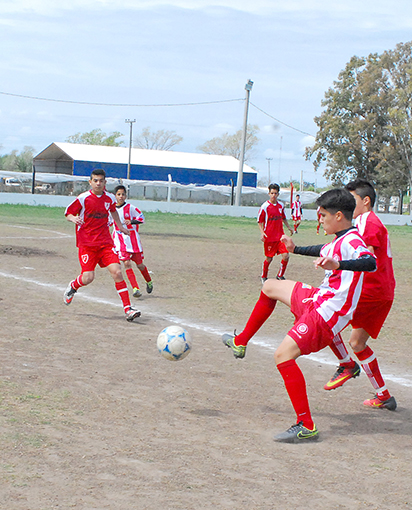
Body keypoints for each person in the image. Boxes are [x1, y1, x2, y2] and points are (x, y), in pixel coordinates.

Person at [222, 188, 376, 443]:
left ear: (339, 216)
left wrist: (339, 265)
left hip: (328, 313)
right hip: (319, 299)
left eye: (323, 215)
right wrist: (296, 249)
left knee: (282, 356)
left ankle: (305, 425)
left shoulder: (353, 241)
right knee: (269, 286)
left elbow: (370, 262)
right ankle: (240, 343)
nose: (320, 219)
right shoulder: (341, 238)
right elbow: (323, 249)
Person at [324, 179, 396, 410]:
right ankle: (384, 395)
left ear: (366, 201)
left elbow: (367, 258)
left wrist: (337, 266)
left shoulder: (367, 221)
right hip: (378, 291)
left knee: (323, 317)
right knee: (356, 343)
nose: (346, 203)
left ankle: (346, 365)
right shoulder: (364, 222)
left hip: (371, 292)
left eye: (351, 199)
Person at [63, 169, 141, 322]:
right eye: (95, 180)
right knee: (88, 277)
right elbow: (68, 213)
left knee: (117, 271)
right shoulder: (83, 198)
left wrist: (120, 227)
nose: (98, 183)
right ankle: (73, 286)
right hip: (87, 244)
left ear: (105, 182)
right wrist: (73, 218)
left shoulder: (110, 198)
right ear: (90, 182)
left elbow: (113, 212)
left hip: (105, 243)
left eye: (101, 181)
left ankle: (128, 309)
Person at [111, 185, 153, 298]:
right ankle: (135, 288)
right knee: (127, 263)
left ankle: (148, 281)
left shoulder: (131, 208)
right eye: (118, 194)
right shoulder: (112, 210)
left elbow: (141, 218)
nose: (121, 196)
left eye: (123, 194)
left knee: (140, 265)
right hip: (120, 242)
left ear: (126, 196)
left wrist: (132, 221)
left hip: (133, 241)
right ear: (115, 196)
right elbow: (108, 223)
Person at [258, 183, 294, 283]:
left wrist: (289, 228)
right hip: (269, 237)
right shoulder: (265, 206)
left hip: (280, 237)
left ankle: (280, 275)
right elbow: (259, 221)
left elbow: (283, 218)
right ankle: (264, 276)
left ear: (278, 194)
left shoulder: (280, 206)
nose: (273, 195)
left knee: (286, 255)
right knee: (269, 259)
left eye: (275, 193)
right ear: (269, 193)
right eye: (272, 193)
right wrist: (262, 233)